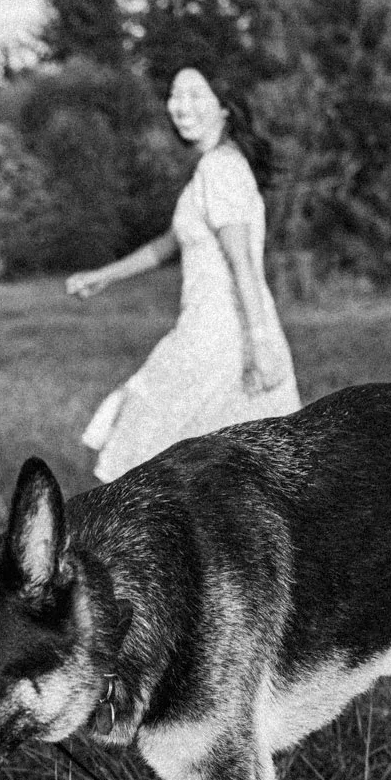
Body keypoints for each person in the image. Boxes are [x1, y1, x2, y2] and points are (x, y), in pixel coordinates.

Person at [65, 67, 300, 482]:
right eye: (175, 95)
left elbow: (243, 262)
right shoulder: (213, 168)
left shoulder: (220, 168)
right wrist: (104, 275)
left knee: (146, 446)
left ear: (223, 107)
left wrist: (260, 342)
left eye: (195, 94)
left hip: (221, 336)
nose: (180, 106)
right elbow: (168, 244)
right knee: (219, 466)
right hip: (212, 330)